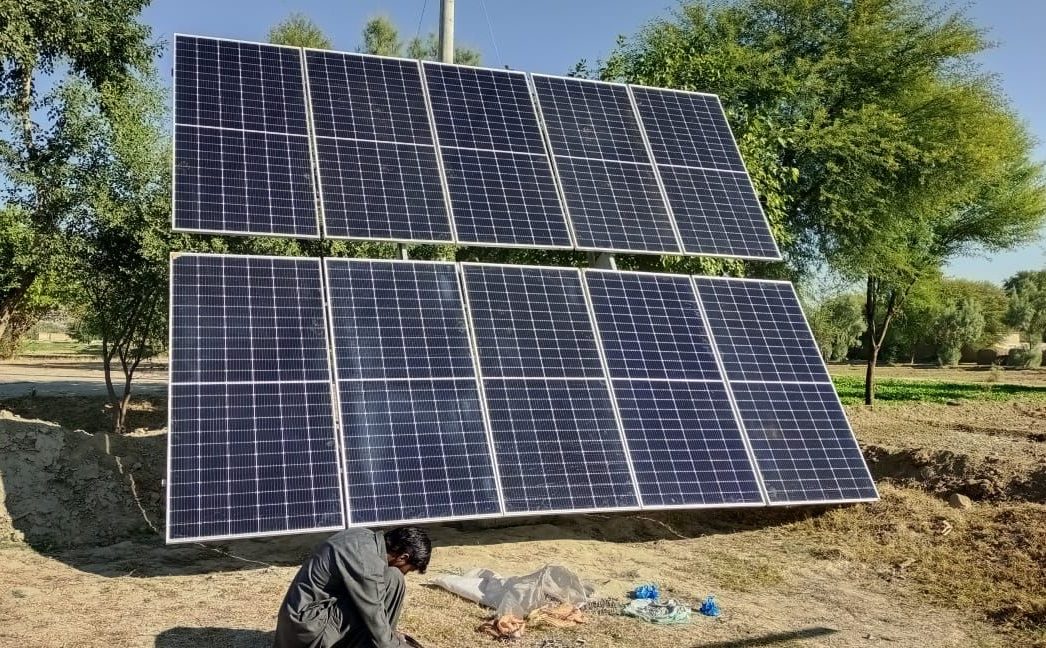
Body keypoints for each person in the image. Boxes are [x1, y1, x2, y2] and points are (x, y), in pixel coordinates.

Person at [274, 526, 431, 648]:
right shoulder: (367, 564)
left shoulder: (363, 537)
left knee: (388, 581)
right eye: (409, 570)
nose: (405, 574)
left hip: (298, 625)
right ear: (403, 557)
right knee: (394, 578)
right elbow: (374, 616)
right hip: (308, 633)